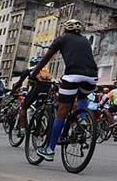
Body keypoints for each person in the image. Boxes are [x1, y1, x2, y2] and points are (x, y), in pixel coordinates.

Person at [30, 19, 99, 161]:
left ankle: (50, 149)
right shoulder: (85, 40)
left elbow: (45, 59)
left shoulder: (61, 39)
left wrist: (33, 74)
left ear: (66, 29)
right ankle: (83, 120)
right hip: (92, 77)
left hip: (72, 76)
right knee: (82, 97)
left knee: (62, 112)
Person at [11, 56, 53, 136]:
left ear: (31, 63)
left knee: (24, 107)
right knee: (39, 107)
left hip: (38, 88)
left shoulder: (29, 70)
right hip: (48, 88)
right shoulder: (46, 70)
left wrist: (13, 91)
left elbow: (19, 82)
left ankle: (22, 129)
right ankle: (40, 123)